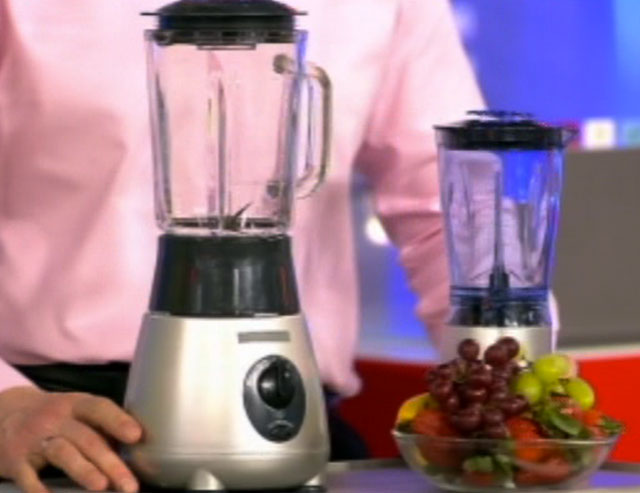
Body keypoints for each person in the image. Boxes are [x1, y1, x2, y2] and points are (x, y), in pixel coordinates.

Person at [0, 0, 483, 492]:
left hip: (290, 424)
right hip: (57, 427)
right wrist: (7, 404)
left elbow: (451, 202)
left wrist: (492, 373)